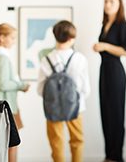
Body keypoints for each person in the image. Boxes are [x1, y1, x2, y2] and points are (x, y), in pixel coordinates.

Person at [37, 20, 91, 162]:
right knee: (77, 140)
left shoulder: (46, 59)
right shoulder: (80, 59)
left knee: (56, 142)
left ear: (55, 36)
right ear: (72, 38)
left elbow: (40, 89)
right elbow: (85, 89)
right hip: (76, 107)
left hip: (52, 107)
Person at [93, 0, 126, 162]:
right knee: (105, 113)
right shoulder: (105, 24)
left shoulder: (122, 25)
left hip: (116, 73)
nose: (107, 4)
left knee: (116, 114)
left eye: (111, 1)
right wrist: (99, 47)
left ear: (119, 5)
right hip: (104, 72)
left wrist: (105, 46)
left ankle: (116, 156)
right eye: (106, 1)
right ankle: (109, 155)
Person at [0, 23, 30, 162]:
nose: (14, 42)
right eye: (12, 38)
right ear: (2, 37)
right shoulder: (2, 58)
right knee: (13, 143)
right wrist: (21, 85)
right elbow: (4, 84)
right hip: (7, 106)